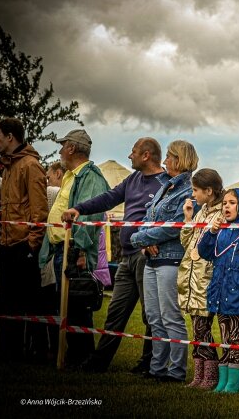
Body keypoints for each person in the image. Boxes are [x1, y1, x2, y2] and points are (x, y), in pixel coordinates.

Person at [63, 138, 165, 374]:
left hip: (147, 257)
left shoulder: (166, 183)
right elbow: (109, 198)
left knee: (150, 314)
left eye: (133, 151)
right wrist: (79, 208)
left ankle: (148, 363)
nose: (130, 156)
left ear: (147, 155)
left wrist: (152, 238)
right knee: (115, 313)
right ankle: (99, 361)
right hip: (126, 259)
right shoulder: (133, 179)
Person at [39, 129, 110, 366]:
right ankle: (74, 354)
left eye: (62, 146)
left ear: (71, 148)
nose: (59, 150)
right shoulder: (71, 175)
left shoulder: (91, 177)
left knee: (77, 305)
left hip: (74, 252)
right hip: (61, 249)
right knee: (67, 305)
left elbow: (90, 217)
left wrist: (78, 251)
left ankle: (82, 356)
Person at [131, 140, 197, 382]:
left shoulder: (189, 191)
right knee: (154, 317)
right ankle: (157, 368)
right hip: (152, 260)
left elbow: (174, 227)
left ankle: (176, 371)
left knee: (171, 317)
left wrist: (139, 238)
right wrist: (146, 240)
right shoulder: (163, 188)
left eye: (169, 157)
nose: (165, 161)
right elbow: (149, 219)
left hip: (171, 260)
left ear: (179, 160)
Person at [198, 188, 239, 393]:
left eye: (232, 203)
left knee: (236, 339)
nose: (226, 207)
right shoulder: (220, 232)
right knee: (225, 338)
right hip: (220, 293)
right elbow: (204, 252)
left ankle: (234, 383)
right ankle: (223, 380)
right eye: (224, 203)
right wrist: (210, 232)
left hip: (238, 294)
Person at [0, 118, 48, 359]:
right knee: (7, 303)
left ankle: (37, 352)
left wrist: (31, 244)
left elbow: (39, 210)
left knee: (29, 304)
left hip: (23, 245)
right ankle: (9, 351)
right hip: (5, 244)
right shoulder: (7, 166)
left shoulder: (30, 165)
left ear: (10, 137)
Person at [177, 168, 224, 389]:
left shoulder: (221, 213)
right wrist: (188, 218)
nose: (192, 194)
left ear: (209, 190)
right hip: (192, 277)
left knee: (203, 328)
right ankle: (199, 375)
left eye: (196, 190)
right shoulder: (201, 211)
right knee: (197, 328)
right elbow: (187, 243)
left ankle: (211, 375)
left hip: (206, 279)